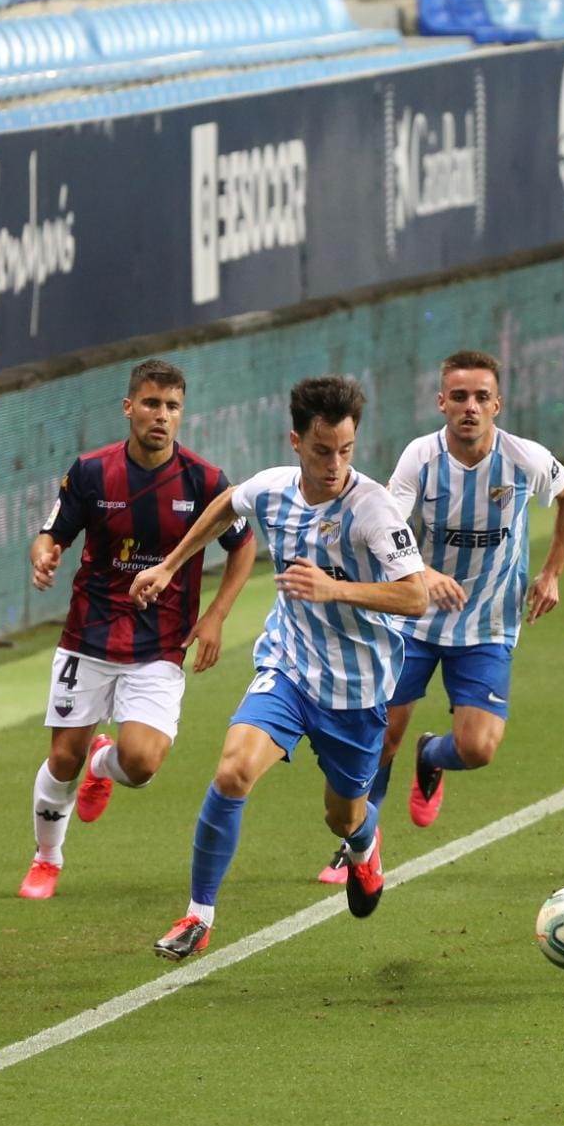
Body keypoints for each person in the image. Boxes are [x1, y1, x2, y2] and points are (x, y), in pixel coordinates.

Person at [130, 375, 428, 961]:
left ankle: (364, 846)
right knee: (234, 770)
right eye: (322, 451)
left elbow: (416, 596)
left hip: (357, 690)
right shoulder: (273, 489)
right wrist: (169, 566)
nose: (335, 464)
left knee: (341, 816)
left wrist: (334, 590)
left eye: (346, 450)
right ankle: (198, 915)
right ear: (296, 441)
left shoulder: (373, 509)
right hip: (289, 668)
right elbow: (228, 504)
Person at [313, 350, 564, 882]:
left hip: (487, 623)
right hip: (415, 620)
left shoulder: (524, 459)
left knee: (477, 748)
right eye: (459, 396)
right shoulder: (421, 458)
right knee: (382, 734)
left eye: (481, 396)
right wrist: (422, 573)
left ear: (497, 404)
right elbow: (385, 522)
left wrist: (552, 572)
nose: (470, 406)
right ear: (441, 402)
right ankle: (360, 843)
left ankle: (432, 757)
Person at [18, 358, 258, 900]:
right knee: (62, 759)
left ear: (182, 413)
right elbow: (50, 534)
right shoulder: (90, 473)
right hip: (90, 635)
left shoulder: (205, 482)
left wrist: (216, 615)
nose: (161, 416)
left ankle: (107, 763)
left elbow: (244, 547)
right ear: (129, 408)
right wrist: (43, 556)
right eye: (151, 404)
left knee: (143, 763)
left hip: (160, 643)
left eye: (172, 406)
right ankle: (46, 859)